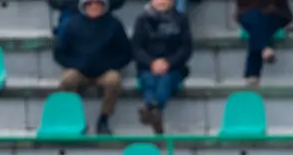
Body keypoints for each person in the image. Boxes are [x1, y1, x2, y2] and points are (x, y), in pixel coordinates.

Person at [54, 0, 133, 136]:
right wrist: (75, 64)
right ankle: (74, 118)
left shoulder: (114, 24)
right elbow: (59, 52)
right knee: (68, 79)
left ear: (104, 6)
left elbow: (126, 53)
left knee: (113, 80)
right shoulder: (71, 24)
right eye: (90, 4)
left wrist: (110, 65)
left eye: (98, 4)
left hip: (105, 72)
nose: (94, 7)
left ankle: (104, 119)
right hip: (79, 71)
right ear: (84, 6)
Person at [132, 0, 193, 135]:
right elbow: (136, 48)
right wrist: (151, 63)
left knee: (164, 80)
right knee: (149, 80)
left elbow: (186, 48)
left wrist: (168, 62)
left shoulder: (181, 19)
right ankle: (155, 114)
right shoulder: (142, 20)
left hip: (174, 68)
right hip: (148, 67)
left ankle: (150, 107)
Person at [235, 0, 292, 85]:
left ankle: (252, 74)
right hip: (249, 13)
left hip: (273, 13)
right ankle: (265, 48)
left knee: (259, 25)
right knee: (255, 18)